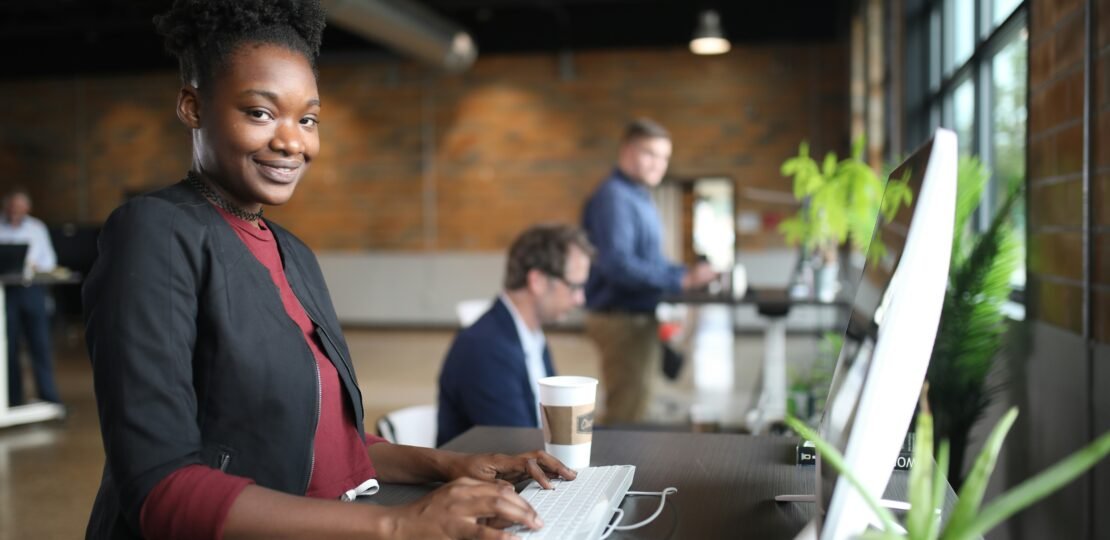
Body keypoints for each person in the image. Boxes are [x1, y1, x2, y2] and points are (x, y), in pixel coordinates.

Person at [82, 2, 574, 539]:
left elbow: (330, 444)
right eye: (260, 112)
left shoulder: (294, 254)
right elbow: (162, 488)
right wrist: (396, 525)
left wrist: (453, 465)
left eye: (308, 119)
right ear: (193, 106)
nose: (293, 141)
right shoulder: (153, 231)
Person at [581, 118, 717, 425]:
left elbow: (649, 260)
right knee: (624, 411)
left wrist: (686, 273)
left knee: (636, 404)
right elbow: (617, 264)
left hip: (636, 316)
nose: (659, 164)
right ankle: (609, 472)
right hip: (620, 318)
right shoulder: (614, 197)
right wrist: (678, 279)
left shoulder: (638, 195)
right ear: (627, 151)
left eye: (665, 157)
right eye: (650, 154)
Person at [437, 224, 594, 446]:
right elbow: (515, 448)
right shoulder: (485, 348)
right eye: (574, 286)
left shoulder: (531, 337)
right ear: (537, 281)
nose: (580, 299)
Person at [0, 189, 61, 406]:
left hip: (32, 289)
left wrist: (35, 266)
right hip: (5, 294)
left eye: (19, 207)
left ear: (27, 208)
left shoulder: (36, 228)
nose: (15, 211)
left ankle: (49, 398)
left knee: (40, 345)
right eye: (11, 207)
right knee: (8, 347)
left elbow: (50, 261)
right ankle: (12, 400)